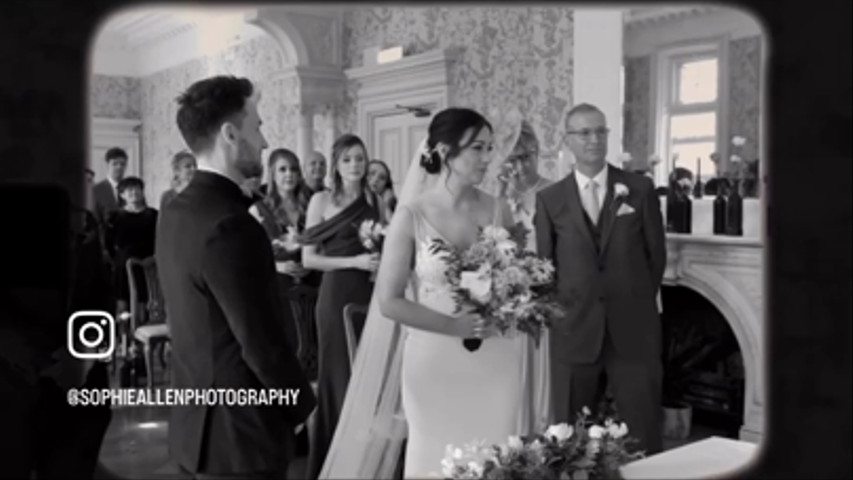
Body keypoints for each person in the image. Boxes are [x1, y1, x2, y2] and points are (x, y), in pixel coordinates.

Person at [318, 108, 548, 479]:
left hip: (495, 359)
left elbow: (514, 277)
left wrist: (516, 294)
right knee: (433, 460)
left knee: (494, 458)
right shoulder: (411, 215)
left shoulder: (499, 209)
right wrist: (453, 326)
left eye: (490, 148)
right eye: (477, 148)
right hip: (433, 363)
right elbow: (389, 300)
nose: (489, 158)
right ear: (445, 152)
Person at [156, 75, 316, 479]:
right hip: (239, 435)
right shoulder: (231, 224)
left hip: (196, 425)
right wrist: (300, 407)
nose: (263, 141)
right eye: (257, 125)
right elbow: (259, 341)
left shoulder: (176, 211)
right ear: (230, 133)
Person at [534, 103, 667, 454]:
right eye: (584, 132)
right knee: (568, 437)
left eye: (600, 131)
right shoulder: (549, 200)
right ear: (567, 141)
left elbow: (657, 259)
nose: (594, 139)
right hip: (574, 331)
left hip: (633, 330)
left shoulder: (639, 189)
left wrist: (632, 302)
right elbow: (546, 267)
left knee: (643, 432)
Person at [301, 134, 382, 479]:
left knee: (369, 375)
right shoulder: (320, 200)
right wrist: (356, 262)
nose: (355, 165)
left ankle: (365, 459)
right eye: (347, 159)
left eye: (360, 158)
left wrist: (379, 262)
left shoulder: (374, 198)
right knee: (338, 376)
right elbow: (309, 259)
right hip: (335, 296)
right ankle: (333, 461)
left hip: (369, 296)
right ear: (336, 164)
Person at [249, 148, 313, 347]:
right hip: (276, 284)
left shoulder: (311, 205)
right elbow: (249, 255)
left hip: (311, 282)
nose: (289, 174)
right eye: (282, 169)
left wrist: (310, 264)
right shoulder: (258, 209)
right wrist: (279, 267)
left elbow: (324, 244)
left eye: (293, 169)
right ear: (273, 174)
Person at [105, 176, 158, 319]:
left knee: (144, 300)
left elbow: (159, 239)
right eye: (129, 190)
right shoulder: (115, 216)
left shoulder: (153, 215)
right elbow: (108, 243)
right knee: (122, 302)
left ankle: (143, 330)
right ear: (122, 194)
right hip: (123, 265)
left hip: (148, 264)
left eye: (137, 188)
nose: (134, 192)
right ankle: (123, 335)